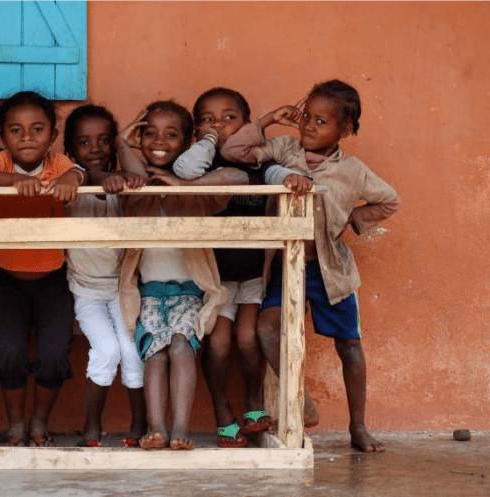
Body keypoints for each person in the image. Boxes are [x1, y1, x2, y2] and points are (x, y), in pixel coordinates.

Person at [221, 79, 402, 452]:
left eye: (321, 121)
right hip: (286, 265)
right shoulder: (284, 149)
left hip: (329, 269)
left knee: (350, 345)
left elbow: (390, 201)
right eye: (306, 116)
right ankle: (299, 397)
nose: (307, 125)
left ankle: (358, 427)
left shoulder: (353, 171)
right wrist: (270, 119)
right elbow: (234, 149)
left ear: (345, 130)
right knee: (267, 330)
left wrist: (351, 220)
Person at [172, 87, 308, 447]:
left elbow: (279, 174)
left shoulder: (259, 164)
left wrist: (291, 179)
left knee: (247, 338)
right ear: (197, 131)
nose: (219, 125)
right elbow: (185, 169)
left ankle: (253, 401)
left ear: (248, 125)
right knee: (217, 344)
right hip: (214, 277)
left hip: (250, 273)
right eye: (208, 120)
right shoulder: (204, 164)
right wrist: (208, 142)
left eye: (230, 118)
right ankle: (221, 410)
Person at [113, 101, 236, 450]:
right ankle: (157, 428)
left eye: (171, 134)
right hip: (148, 293)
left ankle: (182, 428)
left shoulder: (194, 191)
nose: (159, 140)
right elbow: (133, 173)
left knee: (182, 347)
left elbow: (239, 178)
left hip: (189, 293)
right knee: (155, 352)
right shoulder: (136, 189)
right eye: (148, 132)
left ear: (187, 143)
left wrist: (182, 183)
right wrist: (123, 142)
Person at [0, 91, 86, 447]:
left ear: (53, 135)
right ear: (1, 137)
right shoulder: (0, 163)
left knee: (54, 355)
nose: (26, 137)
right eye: (16, 130)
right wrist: (14, 183)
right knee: (9, 354)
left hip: (54, 279)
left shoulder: (58, 164)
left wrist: (73, 180)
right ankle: (17, 425)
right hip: (8, 281)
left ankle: (39, 423)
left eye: (37, 129)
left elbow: (80, 172)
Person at [62, 104, 147, 447]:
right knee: (108, 350)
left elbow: (138, 176)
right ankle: (91, 426)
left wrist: (124, 144)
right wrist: (97, 174)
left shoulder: (123, 184)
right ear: (70, 149)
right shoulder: (68, 182)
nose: (95, 148)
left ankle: (140, 424)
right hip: (86, 292)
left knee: (132, 351)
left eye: (104, 140)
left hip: (123, 290)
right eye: (84, 142)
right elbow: (85, 175)